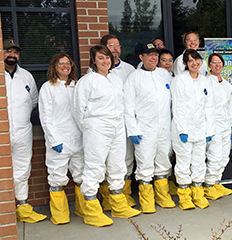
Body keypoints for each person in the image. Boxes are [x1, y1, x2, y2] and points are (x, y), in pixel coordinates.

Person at [74, 45, 141, 227]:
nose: (105, 61)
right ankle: (92, 210)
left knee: (117, 165)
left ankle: (118, 204)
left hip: (117, 125)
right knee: (95, 167)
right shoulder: (87, 81)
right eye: (101, 58)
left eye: (108, 58)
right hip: (97, 126)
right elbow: (78, 110)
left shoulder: (115, 79)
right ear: (93, 60)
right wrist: (89, 127)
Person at [124, 43, 175, 213]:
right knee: (145, 163)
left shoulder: (164, 75)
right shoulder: (133, 77)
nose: (153, 58)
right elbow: (128, 106)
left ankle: (162, 196)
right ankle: (146, 200)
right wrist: (133, 129)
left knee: (163, 160)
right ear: (141, 57)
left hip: (164, 128)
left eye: (155, 55)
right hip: (144, 129)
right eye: (149, 55)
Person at [4, 38, 46, 223]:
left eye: (15, 52)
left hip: (22, 130)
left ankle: (23, 207)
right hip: (2, 133)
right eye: (8, 51)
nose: (12, 55)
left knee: (22, 169)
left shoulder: (26, 76)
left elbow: (34, 101)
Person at [39, 54, 84, 225]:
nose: (65, 66)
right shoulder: (48, 87)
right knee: (57, 178)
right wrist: (54, 139)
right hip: (58, 140)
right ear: (54, 66)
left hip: (77, 138)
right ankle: (60, 215)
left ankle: (82, 208)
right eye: (61, 63)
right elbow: (46, 117)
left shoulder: (76, 85)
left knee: (81, 175)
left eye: (68, 63)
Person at [96, 34, 136, 208]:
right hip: (105, 125)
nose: (115, 49)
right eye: (111, 45)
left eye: (117, 45)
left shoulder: (129, 70)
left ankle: (124, 194)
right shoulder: (95, 73)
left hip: (125, 121)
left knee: (126, 158)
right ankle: (107, 197)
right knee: (107, 160)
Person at [171, 49, 215, 210]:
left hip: (200, 129)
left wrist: (209, 130)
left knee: (199, 162)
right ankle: (184, 196)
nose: (194, 63)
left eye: (197, 60)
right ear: (184, 63)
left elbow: (209, 107)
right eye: (190, 61)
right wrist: (182, 129)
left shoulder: (205, 81)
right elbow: (178, 105)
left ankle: (198, 193)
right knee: (183, 163)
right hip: (183, 130)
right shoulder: (179, 80)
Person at [204, 53, 232, 198]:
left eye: (220, 62)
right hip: (213, 126)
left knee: (224, 157)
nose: (217, 65)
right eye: (214, 62)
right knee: (215, 157)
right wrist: (207, 128)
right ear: (209, 65)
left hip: (226, 125)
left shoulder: (227, 84)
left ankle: (217, 182)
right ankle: (208, 185)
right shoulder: (205, 82)